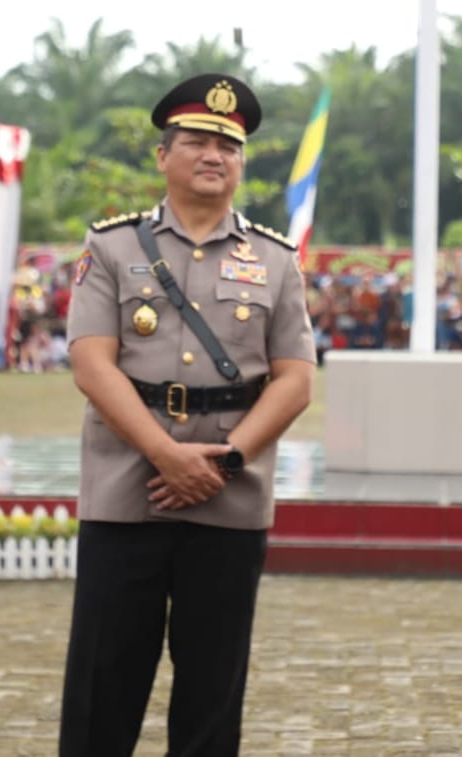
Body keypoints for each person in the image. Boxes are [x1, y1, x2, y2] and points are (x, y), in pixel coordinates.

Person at [60, 73, 316, 756]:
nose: (215, 156)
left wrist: (225, 460)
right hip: (126, 490)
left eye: (229, 146)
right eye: (199, 141)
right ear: (163, 156)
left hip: (228, 500)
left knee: (212, 689)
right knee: (101, 685)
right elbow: (91, 362)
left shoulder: (275, 259)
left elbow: (295, 379)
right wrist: (167, 454)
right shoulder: (113, 246)